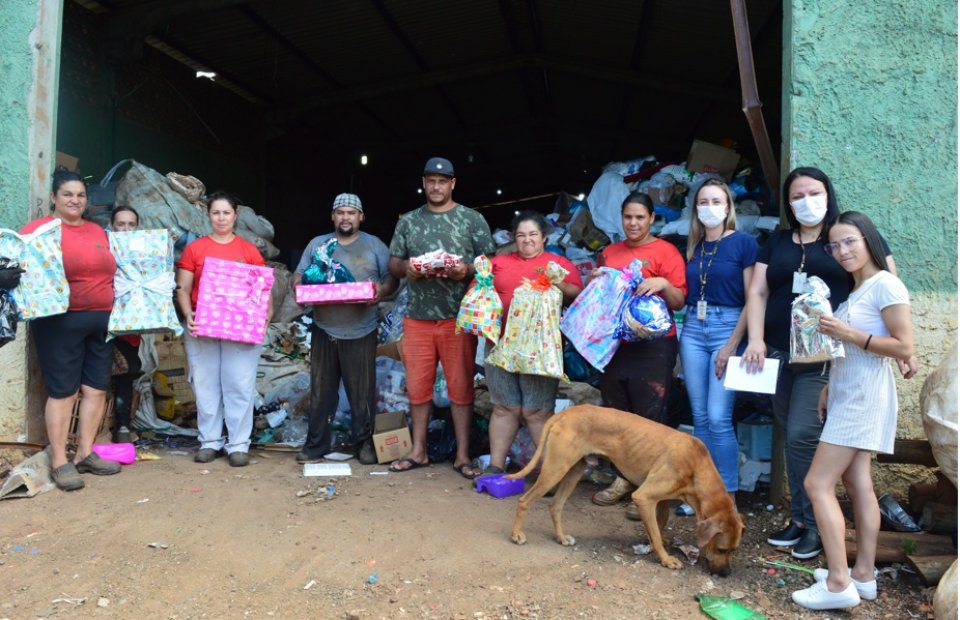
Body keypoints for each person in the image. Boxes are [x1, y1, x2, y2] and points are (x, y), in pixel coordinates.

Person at [742, 167, 899, 559]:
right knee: (790, 437)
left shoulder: (843, 237)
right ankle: (800, 518)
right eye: (797, 196)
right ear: (788, 202)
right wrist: (756, 339)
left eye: (814, 193)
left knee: (802, 436)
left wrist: (902, 350)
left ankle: (815, 525)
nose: (806, 201)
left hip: (826, 359)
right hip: (779, 354)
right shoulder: (777, 241)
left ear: (828, 195)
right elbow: (758, 292)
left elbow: (886, 285)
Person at [791, 211, 916, 610]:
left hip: (863, 397)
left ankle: (837, 582)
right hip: (848, 391)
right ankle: (863, 575)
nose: (842, 251)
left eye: (850, 241)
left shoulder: (886, 284)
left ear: (868, 240)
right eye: (835, 245)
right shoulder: (858, 289)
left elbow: (903, 346)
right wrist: (830, 385)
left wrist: (848, 333)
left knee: (817, 484)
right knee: (857, 482)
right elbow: (853, 351)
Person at [387, 157, 495, 477]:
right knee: (417, 387)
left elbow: (490, 263)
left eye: (442, 181)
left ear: (453, 184)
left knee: (460, 388)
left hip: (458, 318)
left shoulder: (471, 219)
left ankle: (462, 456)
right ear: (424, 183)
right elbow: (394, 263)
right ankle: (418, 451)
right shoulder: (408, 221)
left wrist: (467, 270)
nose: (436, 187)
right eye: (431, 181)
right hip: (417, 317)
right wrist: (407, 269)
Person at [20, 170, 122, 491]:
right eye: (67, 194)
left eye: (80, 195)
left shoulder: (97, 231)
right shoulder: (39, 232)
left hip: (101, 321)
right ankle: (59, 461)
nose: (75, 200)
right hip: (59, 323)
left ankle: (85, 453)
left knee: (96, 389)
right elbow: (16, 265)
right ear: (54, 197)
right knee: (63, 392)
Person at [591, 191, 687, 506]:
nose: (633, 223)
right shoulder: (609, 252)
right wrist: (595, 280)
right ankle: (623, 478)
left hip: (654, 346)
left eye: (640, 217)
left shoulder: (666, 252)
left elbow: (678, 301)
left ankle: (650, 488)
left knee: (650, 416)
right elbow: (600, 299)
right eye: (628, 217)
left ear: (651, 219)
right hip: (615, 344)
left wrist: (664, 284)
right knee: (617, 414)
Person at [292, 193, 398, 465]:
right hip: (324, 328)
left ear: (360, 216)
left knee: (361, 393)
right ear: (333, 216)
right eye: (340, 212)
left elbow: (392, 279)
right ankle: (316, 445)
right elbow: (299, 274)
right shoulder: (318, 244)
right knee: (321, 391)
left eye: (351, 212)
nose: (346, 217)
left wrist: (381, 290)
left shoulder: (374, 245)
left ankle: (363, 445)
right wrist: (298, 288)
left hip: (361, 330)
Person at [175, 191, 272, 467]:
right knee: (205, 384)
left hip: (240, 328)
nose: (221, 218)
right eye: (215, 213)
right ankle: (210, 442)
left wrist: (264, 317)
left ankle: (238, 445)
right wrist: (188, 314)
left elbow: (262, 290)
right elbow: (183, 287)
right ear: (208, 215)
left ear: (235, 215)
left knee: (239, 384)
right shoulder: (196, 248)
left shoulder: (248, 250)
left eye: (226, 213)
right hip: (203, 325)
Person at [482, 210, 583, 474]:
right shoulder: (498, 263)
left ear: (544, 237)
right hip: (500, 344)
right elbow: (478, 291)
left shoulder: (557, 264)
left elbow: (577, 296)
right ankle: (495, 467)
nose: (527, 240)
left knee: (536, 411)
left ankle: (550, 474)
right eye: (521, 235)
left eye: (533, 234)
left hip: (540, 348)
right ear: (513, 238)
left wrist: (557, 282)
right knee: (504, 407)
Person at [678, 179, 757, 503]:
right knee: (699, 418)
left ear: (727, 207)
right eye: (703, 202)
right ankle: (703, 494)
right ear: (696, 208)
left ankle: (726, 497)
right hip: (693, 330)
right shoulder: (693, 245)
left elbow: (754, 298)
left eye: (716, 201)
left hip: (728, 328)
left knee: (717, 417)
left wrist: (732, 345)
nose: (709, 207)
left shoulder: (744, 243)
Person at [109, 205, 143, 444]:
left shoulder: (145, 252)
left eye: (131, 224)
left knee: (126, 373)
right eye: (121, 224)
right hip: (102, 321)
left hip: (130, 327)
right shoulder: (103, 250)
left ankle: (122, 426)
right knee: (97, 376)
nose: (126, 229)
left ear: (138, 227)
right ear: (112, 226)